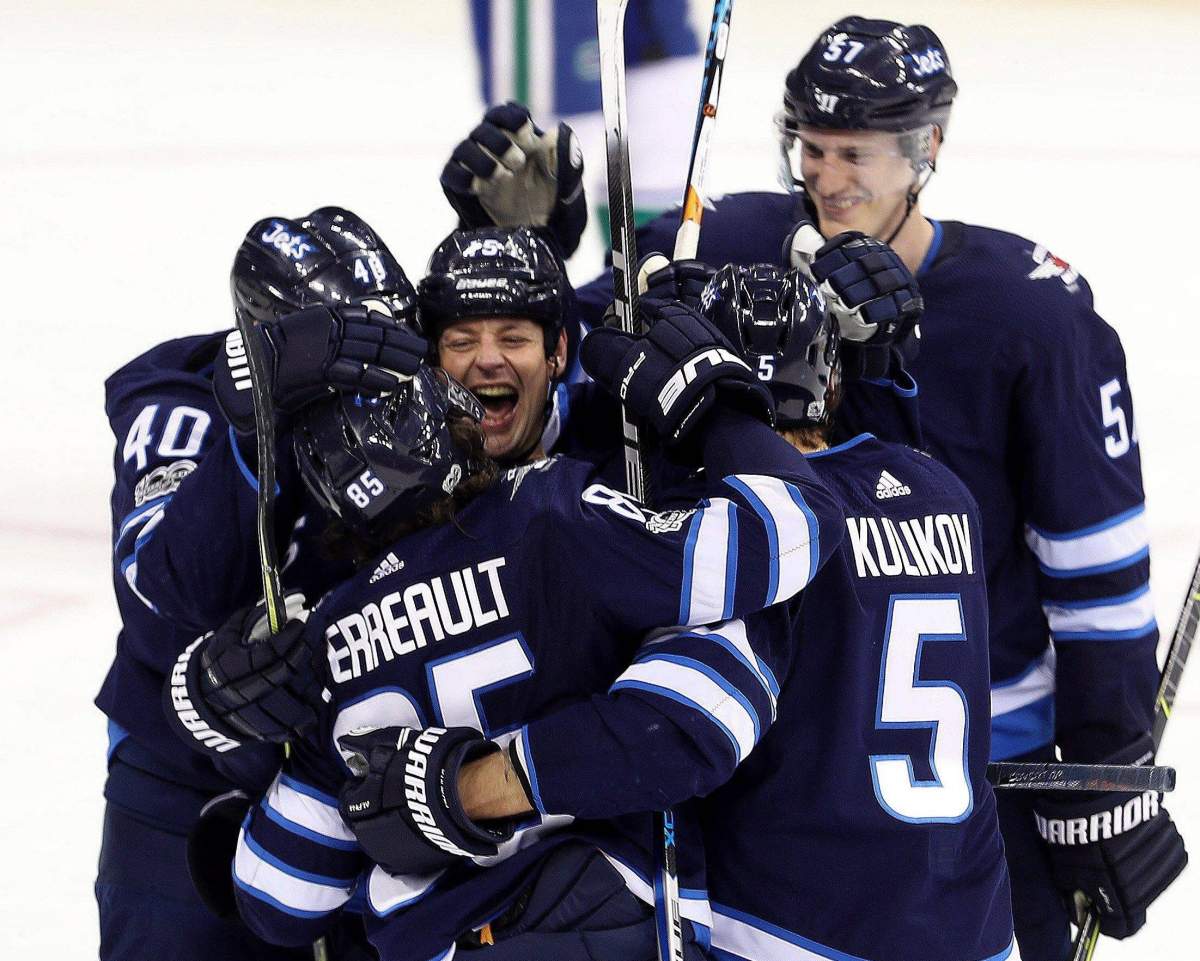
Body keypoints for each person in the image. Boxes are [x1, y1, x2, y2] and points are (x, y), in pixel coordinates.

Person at [559, 17, 1185, 957]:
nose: (826, 176)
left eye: (855, 153)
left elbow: (1097, 581)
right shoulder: (737, 244)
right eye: (811, 148)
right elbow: (572, 343)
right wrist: (530, 243)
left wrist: (1104, 777)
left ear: (927, 149)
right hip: (765, 748)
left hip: (969, 771)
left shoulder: (1032, 316)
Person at [161, 295, 848, 961]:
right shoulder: (551, 519)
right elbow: (788, 530)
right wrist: (711, 403)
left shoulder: (330, 638)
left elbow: (278, 893)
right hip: (597, 917)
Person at [394, 262, 1017, 961]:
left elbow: (668, 732)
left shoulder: (744, 546)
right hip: (977, 928)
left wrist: (463, 787)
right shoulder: (942, 491)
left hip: (797, 933)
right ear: (833, 383)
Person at [96, 207, 425, 960]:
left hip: (346, 795)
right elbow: (167, 588)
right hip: (181, 791)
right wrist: (256, 428)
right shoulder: (179, 407)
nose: (372, 385)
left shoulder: (413, 383)